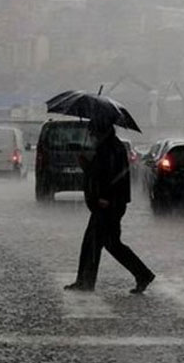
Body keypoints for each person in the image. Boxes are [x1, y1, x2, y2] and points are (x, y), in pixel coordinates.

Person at [65, 118, 155, 294]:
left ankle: (87, 281)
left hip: (108, 204)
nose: (90, 135)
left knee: (100, 243)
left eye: (92, 131)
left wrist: (106, 197)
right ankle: (87, 281)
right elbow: (100, 173)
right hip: (107, 203)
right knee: (104, 243)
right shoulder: (108, 146)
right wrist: (86, 165)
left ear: (101, 130)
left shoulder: (111, 148)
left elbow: (113, 177)